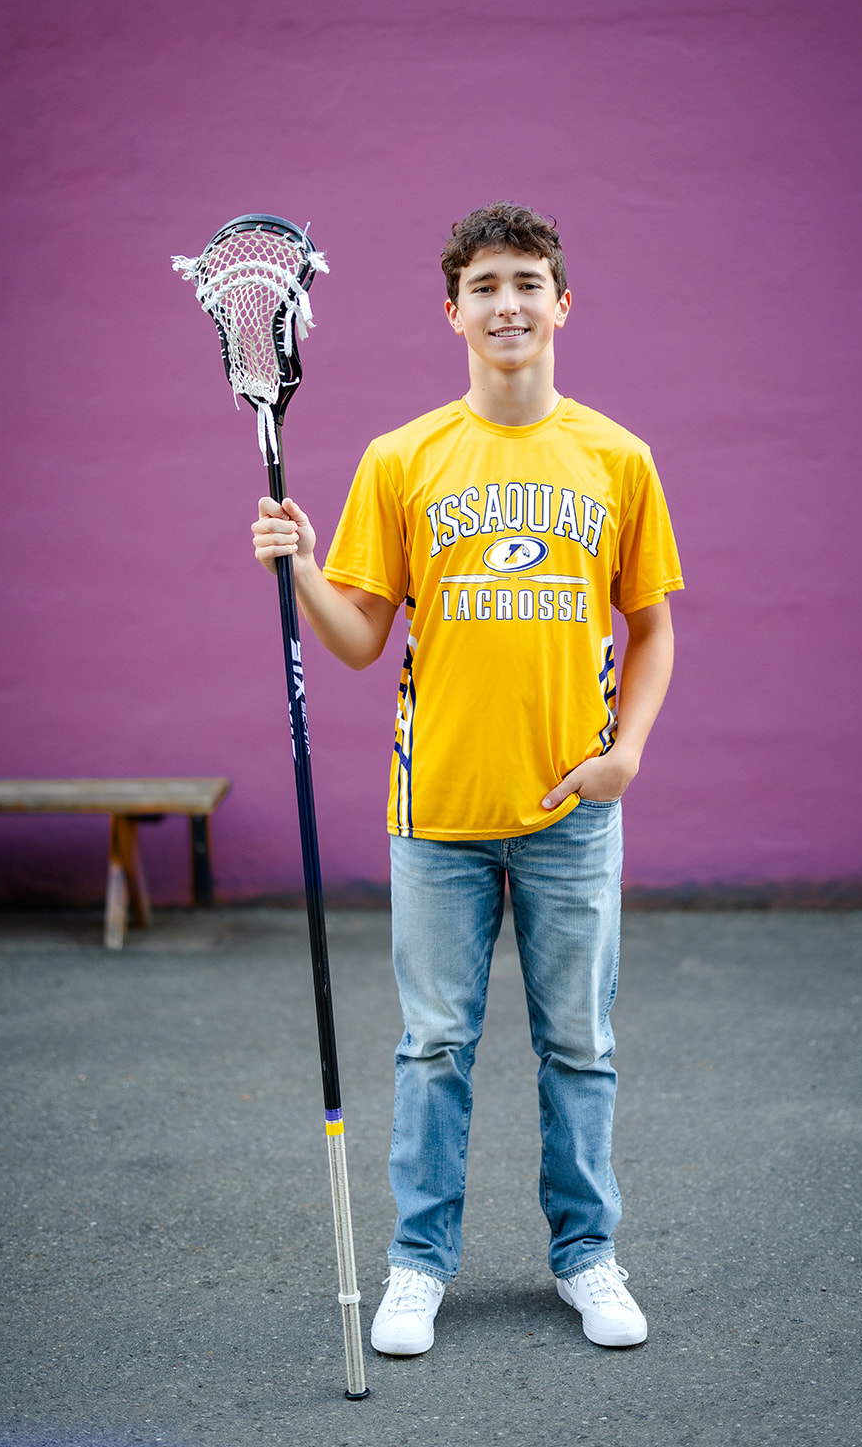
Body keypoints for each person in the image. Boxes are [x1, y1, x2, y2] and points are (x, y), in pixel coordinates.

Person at [251, 202, 683, 1356]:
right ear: (452, 311)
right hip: (434, 812)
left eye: (526, 282)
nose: (506, 303)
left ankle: (586, 1256)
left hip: (568, 812)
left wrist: (625, 754)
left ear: (560, 303)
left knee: (578, 1047)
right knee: (432, 1048)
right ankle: (416, 1266)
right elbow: (356, 640)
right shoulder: (402, 459)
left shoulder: (614, 456)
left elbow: (651, 628)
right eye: (484, 285)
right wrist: (298, 567)